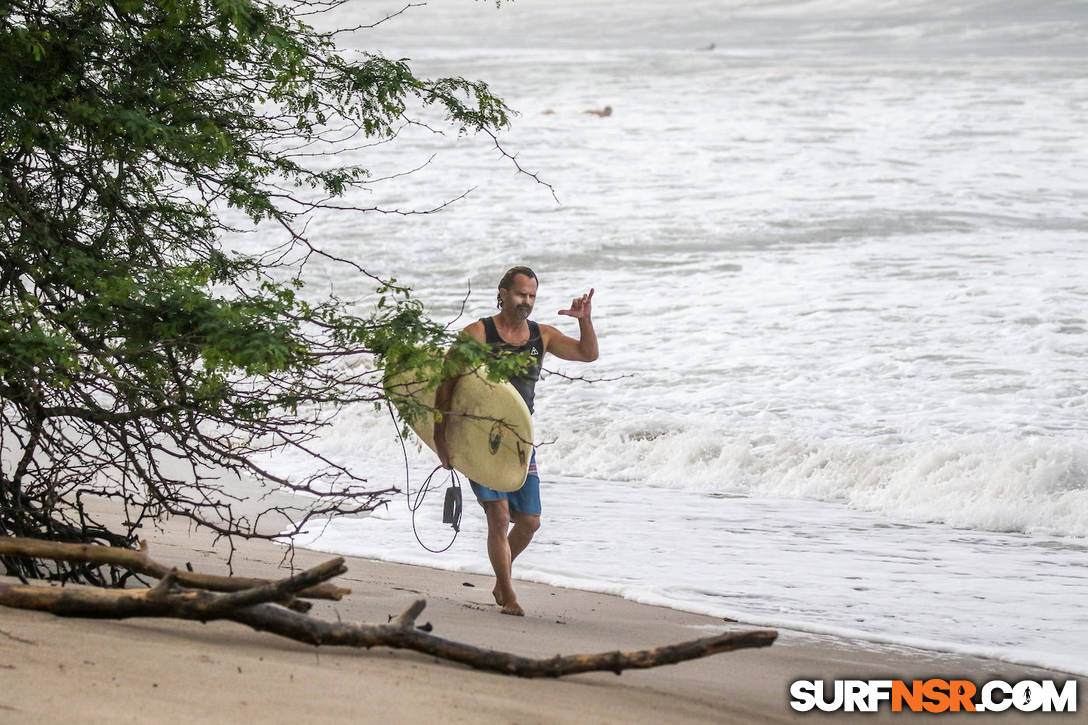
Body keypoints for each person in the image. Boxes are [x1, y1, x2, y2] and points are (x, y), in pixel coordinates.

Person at [434, 266, 597, 616]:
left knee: (529, 522)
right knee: (498, 514)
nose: (527, 301)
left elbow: (588, 354)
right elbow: (445, 386)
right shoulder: (478, 333)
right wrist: (440, 438)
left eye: (532, 296)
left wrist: (584, 319)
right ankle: (507, 594)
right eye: (521, 294)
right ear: (503, 293)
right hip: (478, 435)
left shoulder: (543, 337)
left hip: (520, 439)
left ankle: (500, 576)